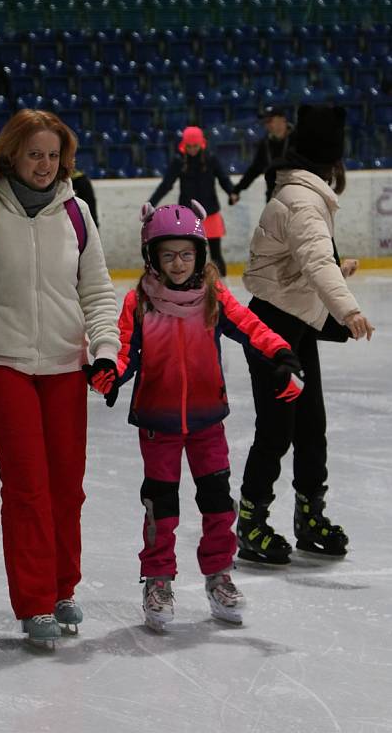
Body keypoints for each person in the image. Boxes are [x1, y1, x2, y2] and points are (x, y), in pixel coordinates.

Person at [0, 109, 120, 648]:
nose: (45, 165)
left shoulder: (76, 213)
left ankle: (62, 589)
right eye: (35, 154)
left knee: (66, 487)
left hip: (63, 363)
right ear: (11, 154)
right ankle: (33, 601)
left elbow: (99, 292)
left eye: (54, 155)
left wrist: (104, 351)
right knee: (28, 486)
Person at [89, 201, 304, 631]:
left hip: (208, 422)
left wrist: (281, 354)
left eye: (187, 254)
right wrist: (106, 370)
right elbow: (124, 351)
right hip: (158, 423)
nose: (179, 263)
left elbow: (251, 326)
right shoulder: (139, 302)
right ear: (152, 256)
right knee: (161, 507)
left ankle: (219, 574)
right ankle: (157, 578)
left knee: (217, 503)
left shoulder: (214, 298)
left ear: (201, 254)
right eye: (168, 254)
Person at [237, 104, 374, 566]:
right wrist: (348, 308)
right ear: (330, 161)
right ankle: (251, 523)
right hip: (271, 330)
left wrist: (340, 269)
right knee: (277, 430)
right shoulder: (303, 200)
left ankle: (308, 517)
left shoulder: (301, 195)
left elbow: (307, 262)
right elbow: (315, 260)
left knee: (311, 426)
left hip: (296, 327)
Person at [147, 126, 237, 277]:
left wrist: (232, 192)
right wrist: (152, 202)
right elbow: (166, 185)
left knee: (216, 254)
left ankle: (223, 288)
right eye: (189, 146)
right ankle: (194, 286)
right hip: (188, 216)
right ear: (184, 145)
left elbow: (223, 178)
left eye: (195, 146)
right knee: (191, 254)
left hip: (211, 213)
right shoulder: (179, 161)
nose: (192, 149)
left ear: (201, 144)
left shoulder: (210, 159)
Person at [230, 106, 295, 204]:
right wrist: (237, 190)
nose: (267, 125)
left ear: (282, 120)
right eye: (265, 121)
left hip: (296, 195)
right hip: (274, 197)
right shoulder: (265, 144)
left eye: (270, 120)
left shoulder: (298, 139)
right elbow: (254, 169)